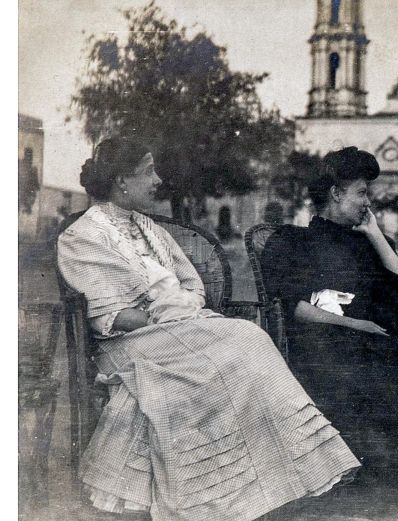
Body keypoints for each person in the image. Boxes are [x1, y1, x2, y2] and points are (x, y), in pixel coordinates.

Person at [57, 138, 360, 521]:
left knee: (245, 341)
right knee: (245, 340)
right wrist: (171, 314)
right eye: (148, 171)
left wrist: (182, 309)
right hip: (130, 343)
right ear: (122, 181)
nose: (158, 180)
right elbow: (113, 316)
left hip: (180, 328)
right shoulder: (82, 237)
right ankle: (224, 495)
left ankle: (266, 481)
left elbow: (192, 284)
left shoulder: (150, 228)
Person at [260, 146, 398, 476]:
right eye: (362, 193)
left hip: (371, 342)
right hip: (325, 347)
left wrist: (375, 235)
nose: (368, 203)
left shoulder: (366, 242)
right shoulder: (293, 241)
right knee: (381, 377)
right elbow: (293, 307)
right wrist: (356, 324)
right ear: (336, 194)